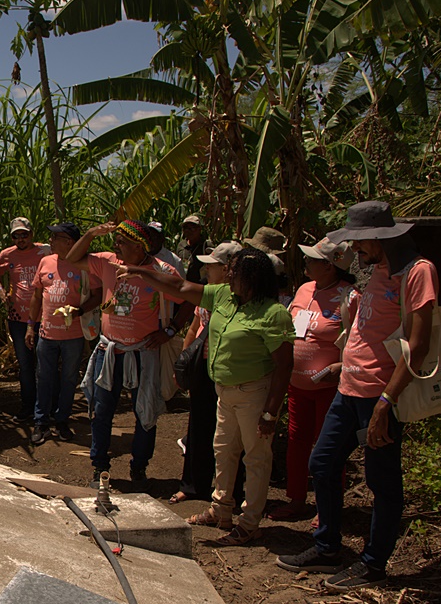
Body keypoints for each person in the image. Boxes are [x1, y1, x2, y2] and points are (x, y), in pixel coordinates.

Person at [278, 201, 438, 592]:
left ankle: (373, 563)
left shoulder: (418, 272)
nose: (355, 251)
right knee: (323, 462)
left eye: (359, 241)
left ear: (378, 237)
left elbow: (417, 344)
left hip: (380, 395)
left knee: (381, 480)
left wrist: (386, 402)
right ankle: (328, 545)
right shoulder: (378, 271)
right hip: (348, 387)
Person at [120, 248, 294, 545]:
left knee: (255, 458)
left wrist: (270, 412)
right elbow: (179, 287)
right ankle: (220, 509)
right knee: (223, 451)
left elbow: (284, 365)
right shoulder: (223, 296)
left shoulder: (272, 314)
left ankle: (249, 521)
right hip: (224, 392)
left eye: (233, 271)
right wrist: (141, 272)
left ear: (251, 277)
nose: (227, 274)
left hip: (254, 395)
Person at [65, 220, 191, 491]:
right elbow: (72, 258)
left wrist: (169, 331)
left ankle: (139, 466)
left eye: (122, 241)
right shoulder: (108, 262)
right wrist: (90, 234)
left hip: (143, 353)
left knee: (145, 409)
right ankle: (100, 466)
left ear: (139, 246)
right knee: (101, 410)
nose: (116, 245)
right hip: (109, 350)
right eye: (116, 241)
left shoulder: (160, 271)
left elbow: (188, 299)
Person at [268, 237, 359, 522]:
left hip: (329, 388)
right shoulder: (304, 289)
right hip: (297, 385)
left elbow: (360, 340)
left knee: (327, 446)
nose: (305, 263)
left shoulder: (350, 296)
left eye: (312, 259)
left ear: (330, 267)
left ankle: (327, 505)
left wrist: (341, 365)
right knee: (296, 442)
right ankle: (296, 500)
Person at [168, 241, 245, 504]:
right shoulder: (208, 294)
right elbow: (194, 327)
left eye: (211, 267)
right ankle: (193, 486)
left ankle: (232, 491)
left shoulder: (239, 297)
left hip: (229, 371)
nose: (205, 271)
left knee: (231, 434)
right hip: (202, 369)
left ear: (226, 269)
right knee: (199, 428)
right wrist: (184, 363)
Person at [26, 223, 99, 445]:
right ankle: (40, 422)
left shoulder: (85, 264)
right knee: (44, 378)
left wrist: (80, 310)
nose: (51, 241)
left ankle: (62, 420)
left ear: (69, 242)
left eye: (55, 237)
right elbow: (37, 296)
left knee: (68, 379)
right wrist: (31, 325)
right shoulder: (46, 262)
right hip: (47, 334)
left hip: (74, 336)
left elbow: (97, 295)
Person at [0, 218, 51, 421]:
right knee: (25, 364)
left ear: (31, 234)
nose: (20, 239)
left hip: (44, 317)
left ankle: (47, 407)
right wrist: (1, 291)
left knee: (45, 363)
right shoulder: (6, 255)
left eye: (24, 234)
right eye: (16, 235)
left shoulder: (45, 251)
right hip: (17, 317)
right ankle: (28, 406)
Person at [177, 215, 210, 284]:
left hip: (200, 287)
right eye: (186, 228)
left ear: (199, 229)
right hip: (183, 285)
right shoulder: (181, 245)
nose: (189, 231)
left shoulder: (206, 246)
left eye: (192, 228)